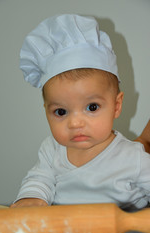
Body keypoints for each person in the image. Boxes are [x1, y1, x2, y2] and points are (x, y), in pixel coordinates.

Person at [11, 14, 150, 210]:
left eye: (92, 107)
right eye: (61, 111)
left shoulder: (133, 158)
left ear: (116, 106)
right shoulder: (52, 151)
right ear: (46, 111)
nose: (75, 123)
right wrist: (31, 198)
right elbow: (39, 179)